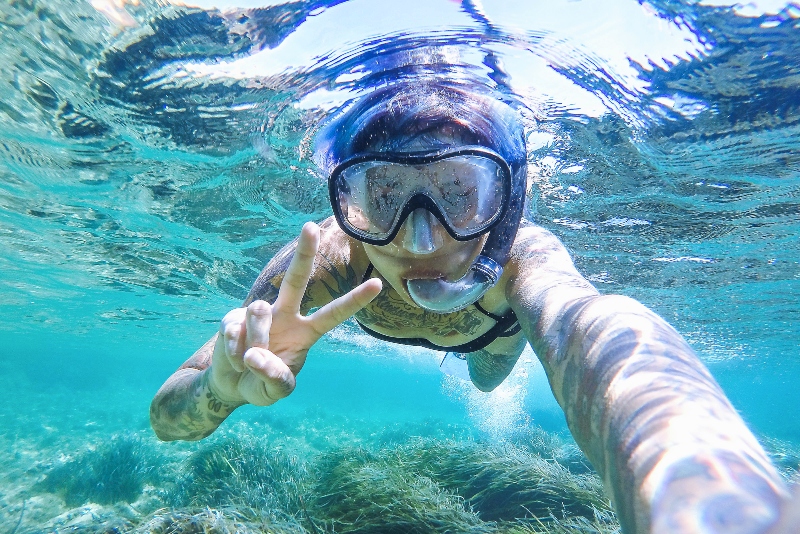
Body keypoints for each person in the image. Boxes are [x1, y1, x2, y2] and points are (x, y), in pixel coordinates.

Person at [150, 82, 792, 533]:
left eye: (460, 195)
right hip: (401, 322)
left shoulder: (523, 263)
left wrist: (707, 496)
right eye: (385, 195)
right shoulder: (318, 266)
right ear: (349, 201)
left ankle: (488, 374)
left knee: (487, 380)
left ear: (507, 203)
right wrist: (218, 388)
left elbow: (592, 329)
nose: (419, 241)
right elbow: (165, 420)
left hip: (490, 340)